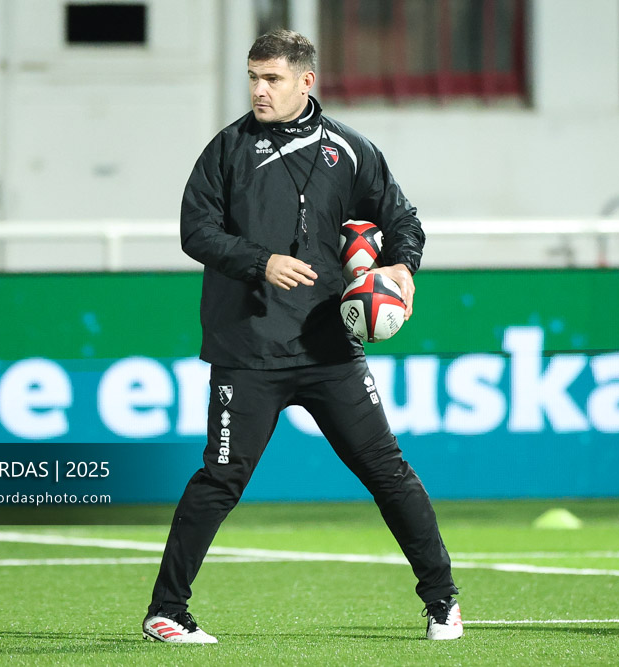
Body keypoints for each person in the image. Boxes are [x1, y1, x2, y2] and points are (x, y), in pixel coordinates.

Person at [142, 29, 461, 644]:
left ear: (305, 81)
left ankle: (443, 601)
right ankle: (167, 612)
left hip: (330, 347)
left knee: (388, 472)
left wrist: (403, 269)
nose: (259, 90)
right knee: (220, 479)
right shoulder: (227, 149)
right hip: (249, 347)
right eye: (253, 77)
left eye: (272, 79)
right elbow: (195, 231)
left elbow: (402, 220)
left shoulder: (351, 149)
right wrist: (259, 261)